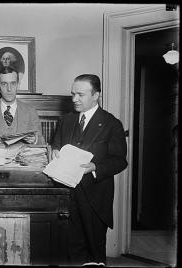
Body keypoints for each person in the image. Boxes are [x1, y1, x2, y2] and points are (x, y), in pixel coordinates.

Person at [51, 74, 128, 266]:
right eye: (72, 94)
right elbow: (56, 146)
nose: (74, 99)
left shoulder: (112, 124)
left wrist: (95, 168)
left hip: (95, 199)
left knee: (94, 253)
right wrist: (53, 151)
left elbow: (119, 161)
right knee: (69, 251)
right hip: (66, 197)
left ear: (96, 95)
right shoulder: (66, 121)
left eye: (80, 94)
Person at [0, 66, 45, 145]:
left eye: (13, 83)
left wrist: (35, 140)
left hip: (23, 157)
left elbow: (41, 141)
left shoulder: (30, 111)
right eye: (4, 84)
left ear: (18, 85)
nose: (9, 89)